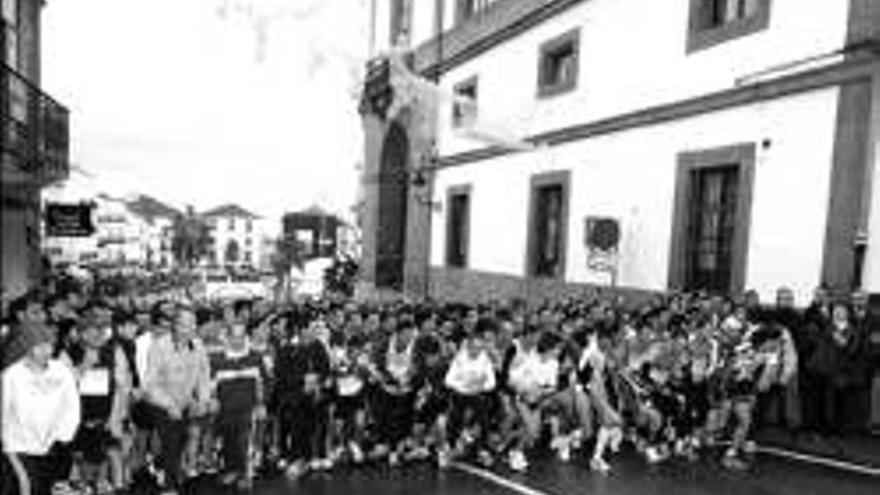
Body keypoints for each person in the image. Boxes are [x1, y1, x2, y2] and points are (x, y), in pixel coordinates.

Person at [2, 321, 81, 495]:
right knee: (28, 487)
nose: (47, 351)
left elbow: (72, 407)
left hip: (53, 447)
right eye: (40, 346)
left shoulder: (61, 371)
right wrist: (7, 445)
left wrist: (64, 436)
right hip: (19, 448)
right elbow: (3, 413)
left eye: (50, 345)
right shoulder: (11, 376)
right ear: (27, 347)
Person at [142, 306, 213, 495]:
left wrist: (203, 400)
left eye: (193, 324)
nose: (190, 329)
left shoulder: (198, 346)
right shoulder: (159, 346)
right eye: (185, 324)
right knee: (172, 440)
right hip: (160, 402)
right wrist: (168, 404)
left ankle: (160, 464)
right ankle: (169, 487)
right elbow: (150, 384)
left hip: (184, 402)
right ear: (174, 325)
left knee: (181, 439)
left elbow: (204, 376)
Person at [211, 321, 268, 491]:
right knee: (229, 441)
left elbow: (264, 382)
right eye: (234, 337)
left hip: (248, 408)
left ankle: (246, 473)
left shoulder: (256, 357)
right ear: (227, 338)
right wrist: (212, 400)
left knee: (245, 440)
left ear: (246, 337)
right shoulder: (217, 360)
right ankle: (232, 470)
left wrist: (261, 404)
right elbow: (210, 385)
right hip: (225, 409)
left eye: (241, 336)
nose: (238, 341)